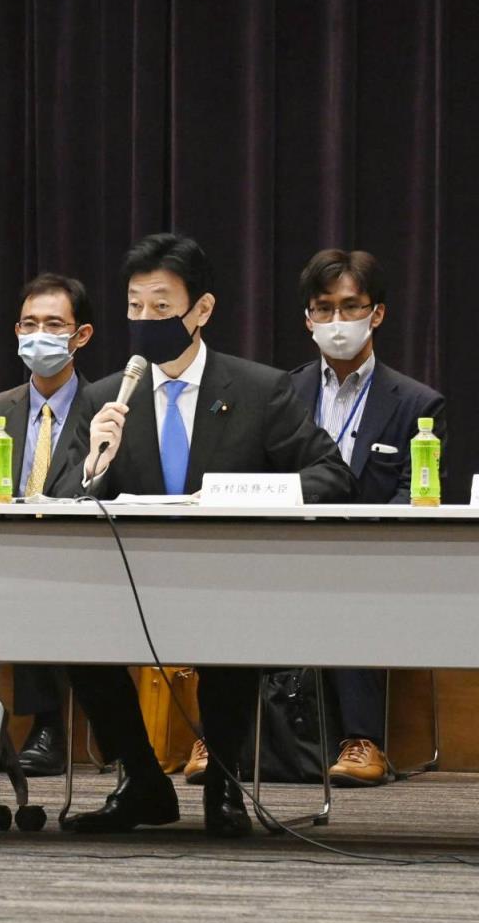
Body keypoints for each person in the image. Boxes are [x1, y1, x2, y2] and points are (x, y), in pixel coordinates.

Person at [51, 233, 353, 837]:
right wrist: (94, 466)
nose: (145, 321)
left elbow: (332, 476)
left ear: (202, 310)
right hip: (130, 583)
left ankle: (224, 784)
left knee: (230, 625)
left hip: (226, 579)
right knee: (68, 623)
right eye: (135, 307)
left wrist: (257, 496)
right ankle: (142, 780)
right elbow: (60, 499)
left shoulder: (261, 391)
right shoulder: (104, 397)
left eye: (161, 307)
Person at [289, 249, 445, 787]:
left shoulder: (418, 403)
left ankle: (363, 741)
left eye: (350, 307)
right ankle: (227, 739)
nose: (337, 322)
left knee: (345, 576)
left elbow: (415, 496)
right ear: (308, 319)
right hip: (287, 550)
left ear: (376, 314)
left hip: (374, 559)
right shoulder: (282, 395)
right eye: (324, 308)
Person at [0, 273, 93, 778]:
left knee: (37, 580)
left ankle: (47, 728)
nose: (39, 335)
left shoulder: (105, 410)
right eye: (30, 324)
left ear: (81, 335)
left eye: (54, 325)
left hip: (71, 558)